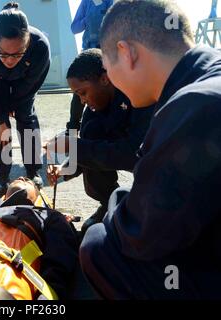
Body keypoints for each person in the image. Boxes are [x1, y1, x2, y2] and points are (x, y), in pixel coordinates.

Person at [80, 0, 221, 299]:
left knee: (98, 245)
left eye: (107, 67)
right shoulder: (207, 81)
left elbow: (141, 235)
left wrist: (117, 206)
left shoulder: (195, 105)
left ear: (126, 52)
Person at [47, 49, 154, 234]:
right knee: (90, 131)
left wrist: (74, 146)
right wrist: (65, 168)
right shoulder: (93, 110)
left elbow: (133, 154)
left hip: (154, 162)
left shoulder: (138, 94)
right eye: (78, 96)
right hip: (128, 151)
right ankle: (110, 202)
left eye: (83, 92)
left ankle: (144, 208)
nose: (82, 101)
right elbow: (90, 150)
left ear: (105, 79)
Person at [0, 1, 51, 196]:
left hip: (24, 84)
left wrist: (17, 104)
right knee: (0, 126)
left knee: (27, 118)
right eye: (3, 54)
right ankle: (1, 175)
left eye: (17, 54)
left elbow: (33, 83)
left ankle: (33, 171)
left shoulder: (40, 45)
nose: (9, 60)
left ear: (28, 41)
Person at [66, 0, 114, 133]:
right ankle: (73, 128)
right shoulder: (86, 2)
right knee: (80, 93)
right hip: (88, 52)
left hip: (108, 52)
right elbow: (74, 28)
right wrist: (87, 19)